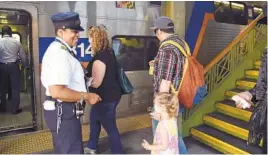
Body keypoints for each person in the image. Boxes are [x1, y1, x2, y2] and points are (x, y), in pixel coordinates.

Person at [40, 12, 101, 154]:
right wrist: (87, 96)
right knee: (71, 150)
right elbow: (57, 91)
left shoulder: (64, 51)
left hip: (65, 111)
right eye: (74, 31)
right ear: (60, 31)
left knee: (67, 148)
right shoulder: (59, 54)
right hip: (64, 111)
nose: (77, 35)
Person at [149, 16, 188, 154]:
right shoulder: (181, 43)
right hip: (176, 98)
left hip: (167, 101)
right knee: (173, 135)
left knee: (165, 137)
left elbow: (165, 81)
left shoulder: (167, 49)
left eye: (155, 32)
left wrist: (160, 108)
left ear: (159, 31)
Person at [84, 26, 124, 154]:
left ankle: (118, 152)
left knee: (110, 127)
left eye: (90, 37)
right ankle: (91, 146)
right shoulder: (108, 53)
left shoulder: (100, 58)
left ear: (95, 39)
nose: (88, 40)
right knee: (94, 119)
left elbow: (96, 83)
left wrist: (83, 81)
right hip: (109, 96)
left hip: (105, 98)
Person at [0, 25, 28, 114]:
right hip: (14, 66)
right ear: (10, 32)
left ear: (2, 33)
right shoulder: (17, 42)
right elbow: (23, 56)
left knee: (2, 88)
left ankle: (3, 108)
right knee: (15, 88)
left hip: (2, 67)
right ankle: (14, 109)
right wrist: (25, 65)